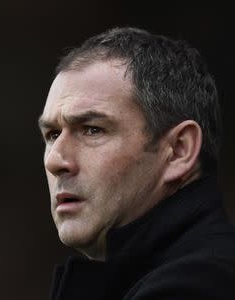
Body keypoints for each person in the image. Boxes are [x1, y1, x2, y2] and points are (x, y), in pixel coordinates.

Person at [38, 27, 235, 300]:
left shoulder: (196, 287)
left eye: (92, 129)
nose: (54, 160)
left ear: (179, 151)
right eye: (52, 134)